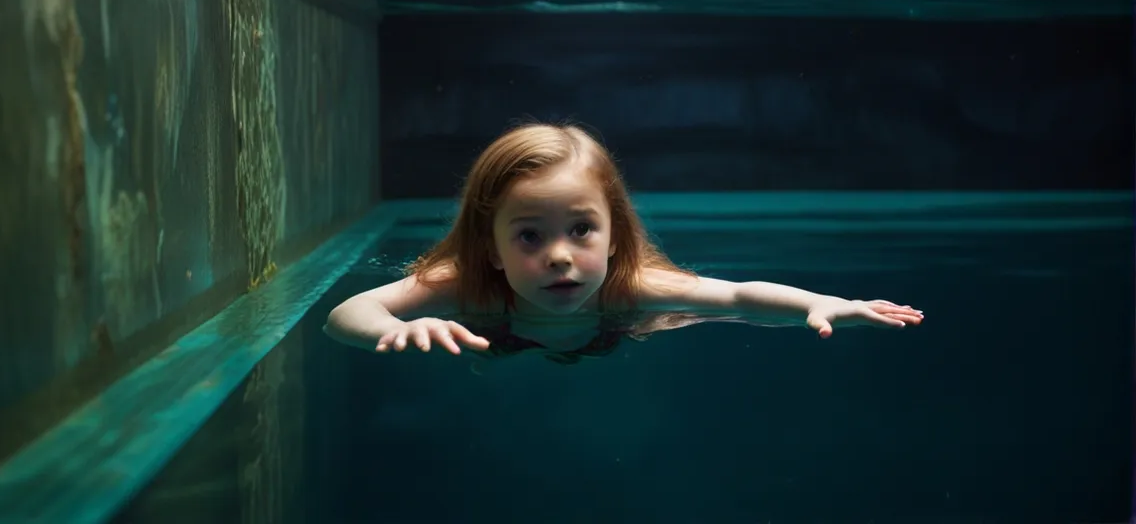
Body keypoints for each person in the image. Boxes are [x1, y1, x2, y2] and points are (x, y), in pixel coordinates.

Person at [324, 121, 923, 363]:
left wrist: (817, 305)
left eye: (581, 230)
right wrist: (393, 328)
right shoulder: (463, 283)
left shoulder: (629, 288)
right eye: (529, 235)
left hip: (608, 336)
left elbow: (738, 297)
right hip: (498, 340)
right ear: (490, 249)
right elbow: (342, 314)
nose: (560, 254)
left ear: (614, 238)